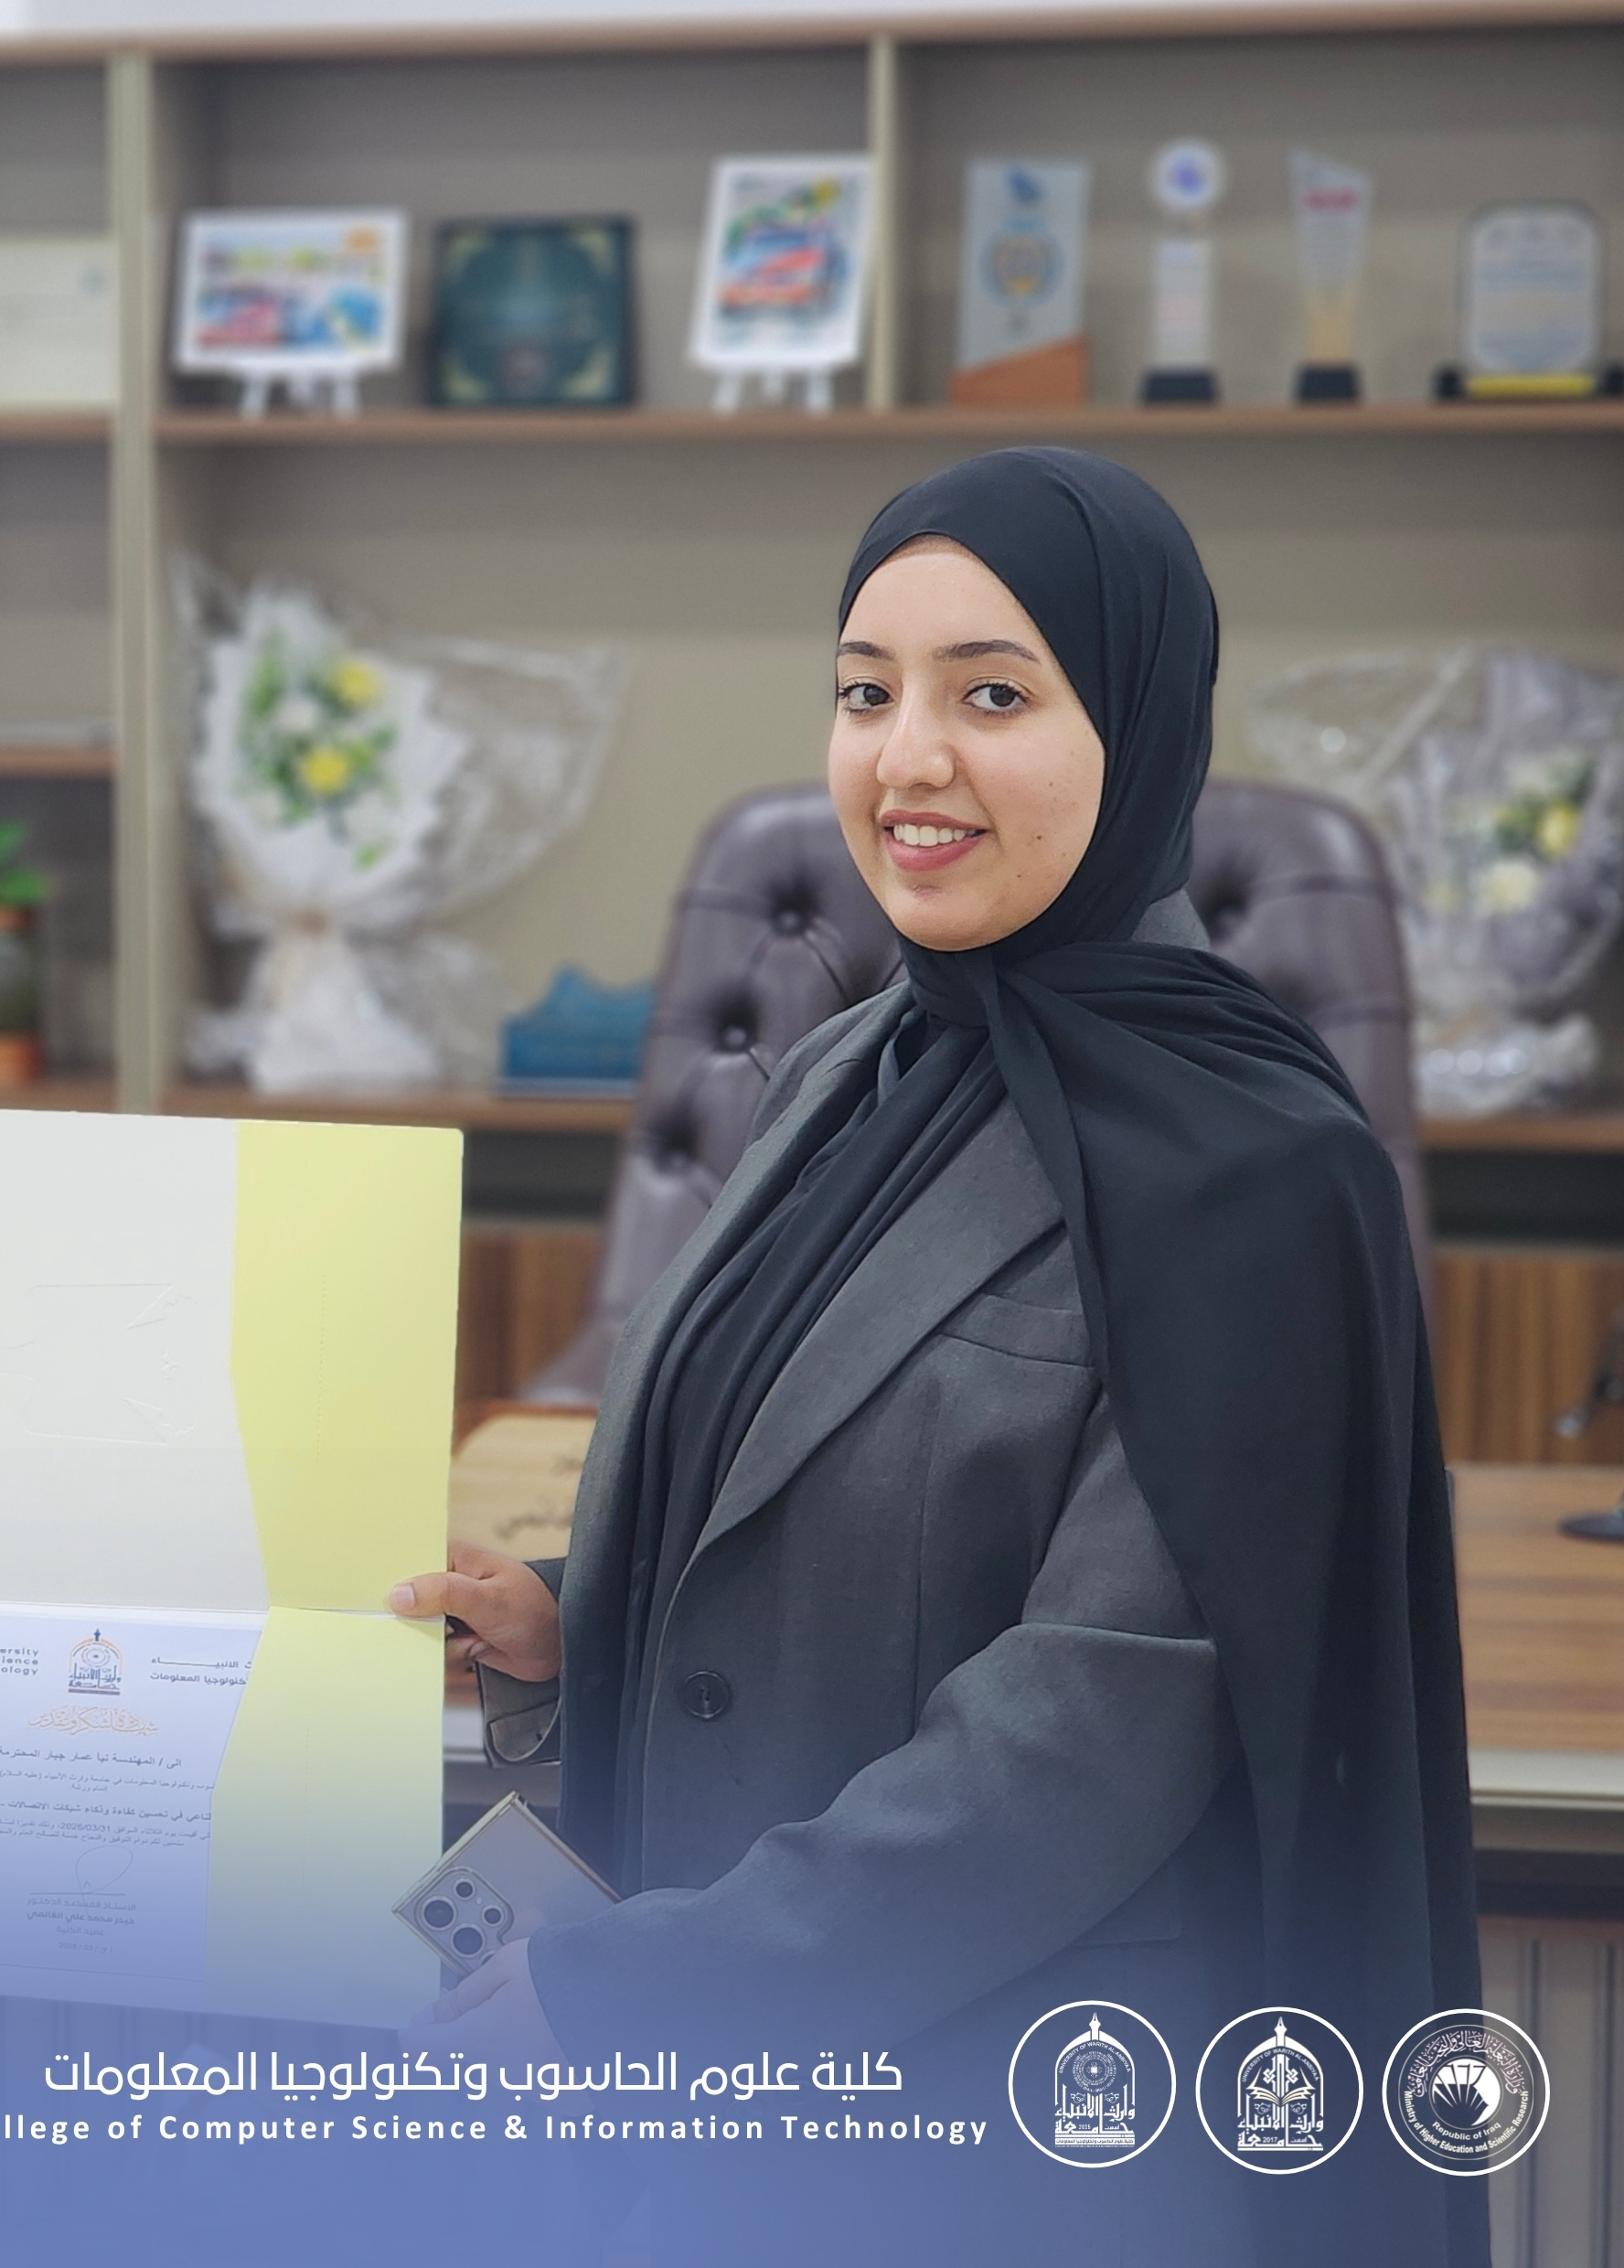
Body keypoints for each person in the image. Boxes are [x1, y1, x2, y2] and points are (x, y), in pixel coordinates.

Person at [395, 449, 1480, 2263]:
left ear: (1135, 725)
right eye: (862, 691)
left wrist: (655, 1991)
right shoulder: (854, 1067)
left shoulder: (1261, 1176)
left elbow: (1087, 1729)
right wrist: (577, 1621)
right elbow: (822, 1488)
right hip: (754, 2138)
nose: (904, 760)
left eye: (991, 695)